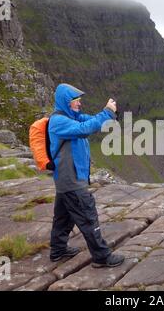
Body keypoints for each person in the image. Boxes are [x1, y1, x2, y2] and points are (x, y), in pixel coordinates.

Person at [48, 83, 124, 268]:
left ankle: (58, 250)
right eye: (76, 101)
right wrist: (106, 111)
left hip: (67, 179)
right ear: (67, 102)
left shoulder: (73, 117)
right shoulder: (59, 121)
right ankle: (101, 257)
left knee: (63, 217)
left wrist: (111, 114)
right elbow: (85, 129)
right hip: (72, 179)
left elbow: (94, 123)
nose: (79, 104)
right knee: (88, 216)